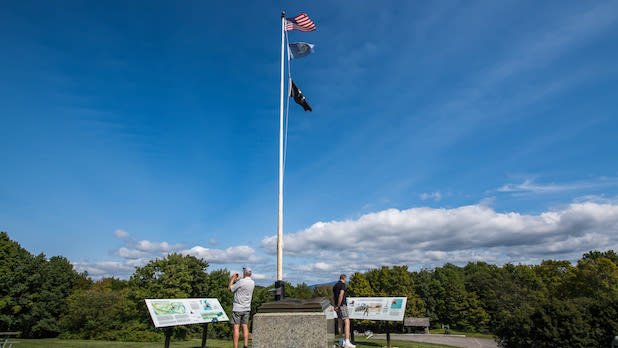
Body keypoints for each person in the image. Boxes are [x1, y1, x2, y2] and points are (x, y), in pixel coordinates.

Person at [228, 266, 255, 348]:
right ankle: (245, 345)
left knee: (236, 327)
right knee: (245, 326)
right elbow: (243, 285)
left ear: (244, 273)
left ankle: (235, 346)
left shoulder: (241, 282)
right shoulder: (252, 283)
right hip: (246, 308)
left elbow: (230, 289)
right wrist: (239, 280)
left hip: (237, 308)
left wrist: (233, 279)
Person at [333, 274, 355, 348]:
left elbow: (332, 297)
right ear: (344, 278)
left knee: (339, 323)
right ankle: (347, 341)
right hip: (342, 305)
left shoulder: (335, 285)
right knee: (347, 321)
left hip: (336, 306)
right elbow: (341, 295)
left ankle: (341, 341)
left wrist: (335, 306)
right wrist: (339, 305)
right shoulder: (342, 285)